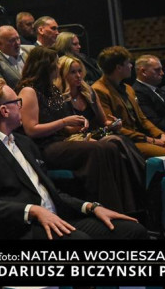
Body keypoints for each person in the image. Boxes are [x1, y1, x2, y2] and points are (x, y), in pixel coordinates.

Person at [0, 77, 147, 241]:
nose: (21, 106)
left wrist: (91, 207)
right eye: (17, 102)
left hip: (58, 217)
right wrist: (33, 210)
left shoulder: (23, 142)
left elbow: (52, 192)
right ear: (4, 111)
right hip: (22, 227)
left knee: (132, 231)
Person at [17, 47, 139, 213]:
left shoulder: (53, 90)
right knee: (97, 149)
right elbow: (31, 130)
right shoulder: (29, 91)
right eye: (55, 63)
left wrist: (76, 127)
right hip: (43, 146)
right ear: (45, 65)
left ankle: (127, 206)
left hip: (61, 140)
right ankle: (106, 206)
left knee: (110, 147)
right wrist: (64, 122)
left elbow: (62, 125)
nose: (58, 67)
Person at [92, 46, 165, 160]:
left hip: (143, 137)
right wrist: (150, 140)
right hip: (127, 141)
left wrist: (160, 134)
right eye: (128, 63)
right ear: (119, 67)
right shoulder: (99, 90)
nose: (131, 66)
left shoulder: (128, 88)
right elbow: (113, 128)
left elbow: (143, 119)